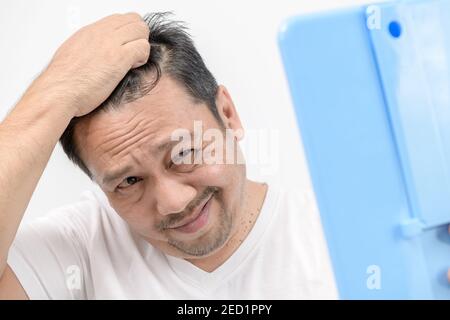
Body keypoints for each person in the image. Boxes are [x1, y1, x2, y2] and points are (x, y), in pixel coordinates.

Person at [0, 12, 337, 299]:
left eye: (184, 152)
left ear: (228, 114)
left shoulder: (332, 238)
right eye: (129, 181)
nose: (173, 202)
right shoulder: (80, 249)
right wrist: (55, 89)